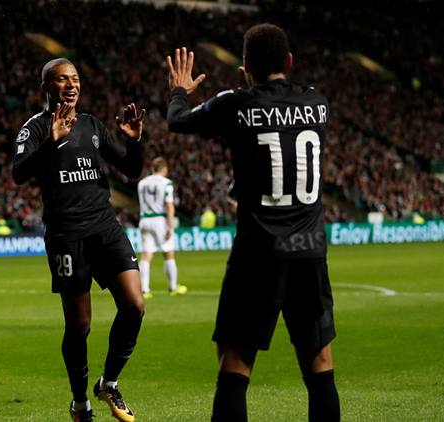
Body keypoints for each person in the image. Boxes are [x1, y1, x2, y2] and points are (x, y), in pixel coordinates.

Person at [166, 24, 340, 421]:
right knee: (320, 362)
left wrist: (180, 90)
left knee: (235, 362)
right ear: (290, 62)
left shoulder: (235, 104)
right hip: (310, 252)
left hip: (258, 254)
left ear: (244, 66)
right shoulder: (319, 104)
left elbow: (177, 121)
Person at [12, 58, 145, 422]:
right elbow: (18, 174)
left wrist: (134, 142)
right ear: (46, 88)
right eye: (61, 79)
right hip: (67, 235)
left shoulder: (91, 125)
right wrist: (49, 144)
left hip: (105, 227)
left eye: (75, 79)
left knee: (134, 305)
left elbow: (132, 169)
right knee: (80, 326)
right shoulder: (35, 128)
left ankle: (109, 383)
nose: (71, 85)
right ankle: (79, 402)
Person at [136, 156, 186, 298]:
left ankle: (144, 290)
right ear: (164, 169)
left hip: (144, 219)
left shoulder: (142, 183)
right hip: (159, 220)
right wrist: (170, 226)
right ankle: (173, 287)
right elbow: (169, 205)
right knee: (168, 253)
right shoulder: (166, 183)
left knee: (146, 255)